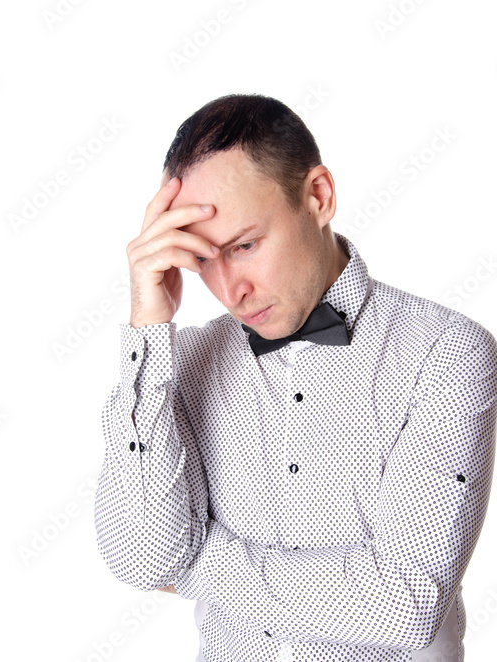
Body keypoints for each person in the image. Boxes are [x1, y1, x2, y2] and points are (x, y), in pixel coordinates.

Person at [94, 93, 496, 661]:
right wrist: (148, 328)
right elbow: (139, 557)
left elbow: (403, 604)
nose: (232, 289)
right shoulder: (176, 366)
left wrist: (191, 561)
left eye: (246, 245)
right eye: (204, 259)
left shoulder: (447, 354)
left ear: (319, 196)